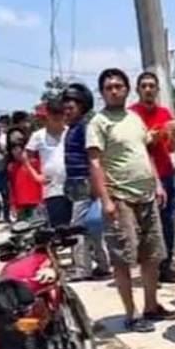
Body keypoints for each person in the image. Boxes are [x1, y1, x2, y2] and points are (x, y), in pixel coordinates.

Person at [88, 68, 175, 332]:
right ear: (103, 92)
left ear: (127, 89)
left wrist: (157, 183)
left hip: (147, 195)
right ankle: (131, 313)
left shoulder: (134, 118)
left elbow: (144, 151)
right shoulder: (99, 122)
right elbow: (94, 162)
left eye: (118, 86)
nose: (114, 90)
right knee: (123, 257)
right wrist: (106, 200)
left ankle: (151, 305)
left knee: (152, 255)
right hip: (120, 197)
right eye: (109, 87)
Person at [130, 71, 175, 284]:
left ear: (157, 89)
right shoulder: (132, 115)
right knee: (147, 226)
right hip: (143, 176)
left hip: (166, 173)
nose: (148, 89)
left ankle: (166, 266)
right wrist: (150, 138)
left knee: (168, 222)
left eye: (152, 86)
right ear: (138, 90)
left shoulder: (164, 113)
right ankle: (149, 270)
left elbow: (172, 147)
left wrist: (173, 134)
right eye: (144, 86)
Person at [62, 83, 112, 280]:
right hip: (75, 183)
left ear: (81, 108)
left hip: (85, 183)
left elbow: (93, 158)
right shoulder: (72, 129)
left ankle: (83, 269)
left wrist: (95, 187)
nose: (66, 112)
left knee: (79, 227)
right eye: (65, 108)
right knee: (92, 227)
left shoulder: (84, 129)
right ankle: (103, 264)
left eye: (71, 108)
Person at [26, 98, 71, 226]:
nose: (57, 120)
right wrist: (36, 176)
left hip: (74, 187)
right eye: (54, 116)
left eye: (60, 116)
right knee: (60, 228)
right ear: (48, 116)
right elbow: (26, 157)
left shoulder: (70, 132)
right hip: (53, 189)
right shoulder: (38, 136)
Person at [7, 129, 43, 222]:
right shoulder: (11, 167)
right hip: (20, 204)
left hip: (35, 202)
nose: (16, 152)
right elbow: (12, 188)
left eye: (19, 149)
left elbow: (41, 183)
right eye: (13, 150)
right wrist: (13, 205)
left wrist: (42, 201)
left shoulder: (34, 163)